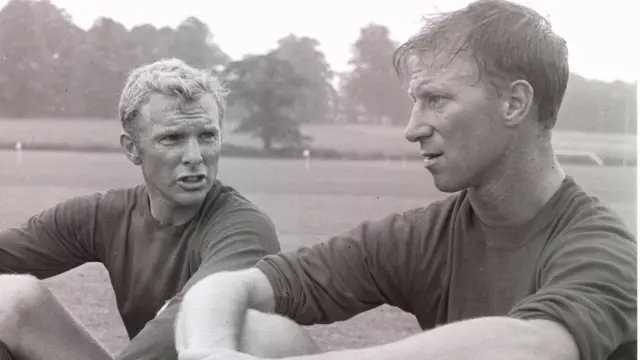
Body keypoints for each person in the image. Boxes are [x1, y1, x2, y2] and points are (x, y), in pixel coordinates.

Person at [175, 1, 637, 359]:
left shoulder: (600, 247)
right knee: (253, 331)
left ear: (515, 103)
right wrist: (209, 350)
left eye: (436, 100)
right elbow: (230, 287)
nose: (413, 127)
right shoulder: (423, 235)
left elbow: (531, 347)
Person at [0, 58, 318, 360]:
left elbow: (191, 321)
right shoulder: (103, 215)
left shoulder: (245, 229)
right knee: (13, 297)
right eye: (172, 138)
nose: (195, 155)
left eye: (207, 135)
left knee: (248, 328)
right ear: (132, 149)